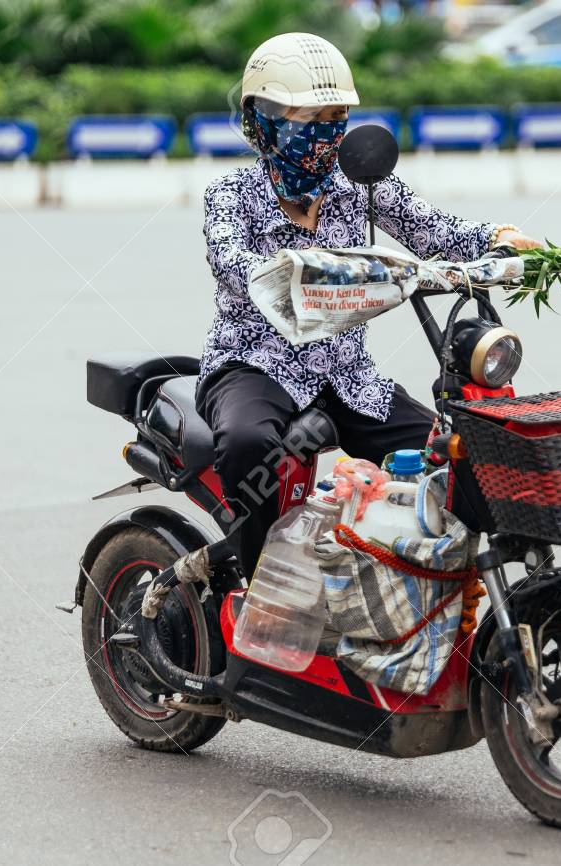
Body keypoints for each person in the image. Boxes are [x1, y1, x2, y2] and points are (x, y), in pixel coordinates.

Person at [199, 32, 540, 576]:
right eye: (310, 119)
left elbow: (436, 232)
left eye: (336, 119)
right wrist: (302, 274)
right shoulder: (231, 194)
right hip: (254, 363)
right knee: (248, 443)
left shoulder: (361, 183)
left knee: (452, 457)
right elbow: (230, 262)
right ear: (263, 120)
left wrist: (498, 236)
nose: (326, 136)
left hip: (347, 376)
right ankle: (263, 580)